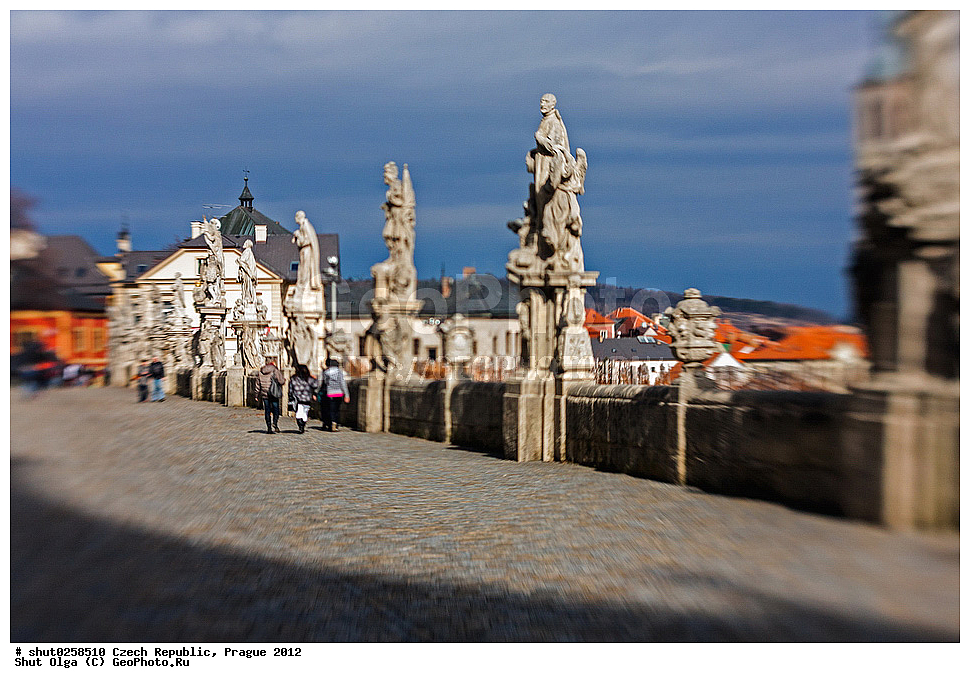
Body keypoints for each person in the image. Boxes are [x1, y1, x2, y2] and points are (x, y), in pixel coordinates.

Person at [256, 355, 285, 434]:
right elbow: (281, 381)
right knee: (276, 409)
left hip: (265, 394)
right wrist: (284, 380)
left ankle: (269, 427)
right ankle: (275, 423)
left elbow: (257, 385)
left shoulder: (261, 371)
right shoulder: (275, 370)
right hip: (274, 393)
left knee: (267, 411)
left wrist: (256, 395)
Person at [320, 358, 350, 431]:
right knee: (336, 409)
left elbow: (325, 383)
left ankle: (331, 423)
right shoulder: (339, 372)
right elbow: (342, 383)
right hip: (338, 393)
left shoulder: (326, 372)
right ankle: (335, 423)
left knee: (330, 409)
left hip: (330, 393)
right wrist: (346, 395)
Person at [288, 364, 318, 434]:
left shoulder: (294, 378)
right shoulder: (309, 378)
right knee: (305, 412)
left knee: (299, 413)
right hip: (307, 398)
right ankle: (303, 425)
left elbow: (291, 389)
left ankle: (300, 426)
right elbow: (315, 386)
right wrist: (315, 379)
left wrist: (290, 396)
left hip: (297, 398)